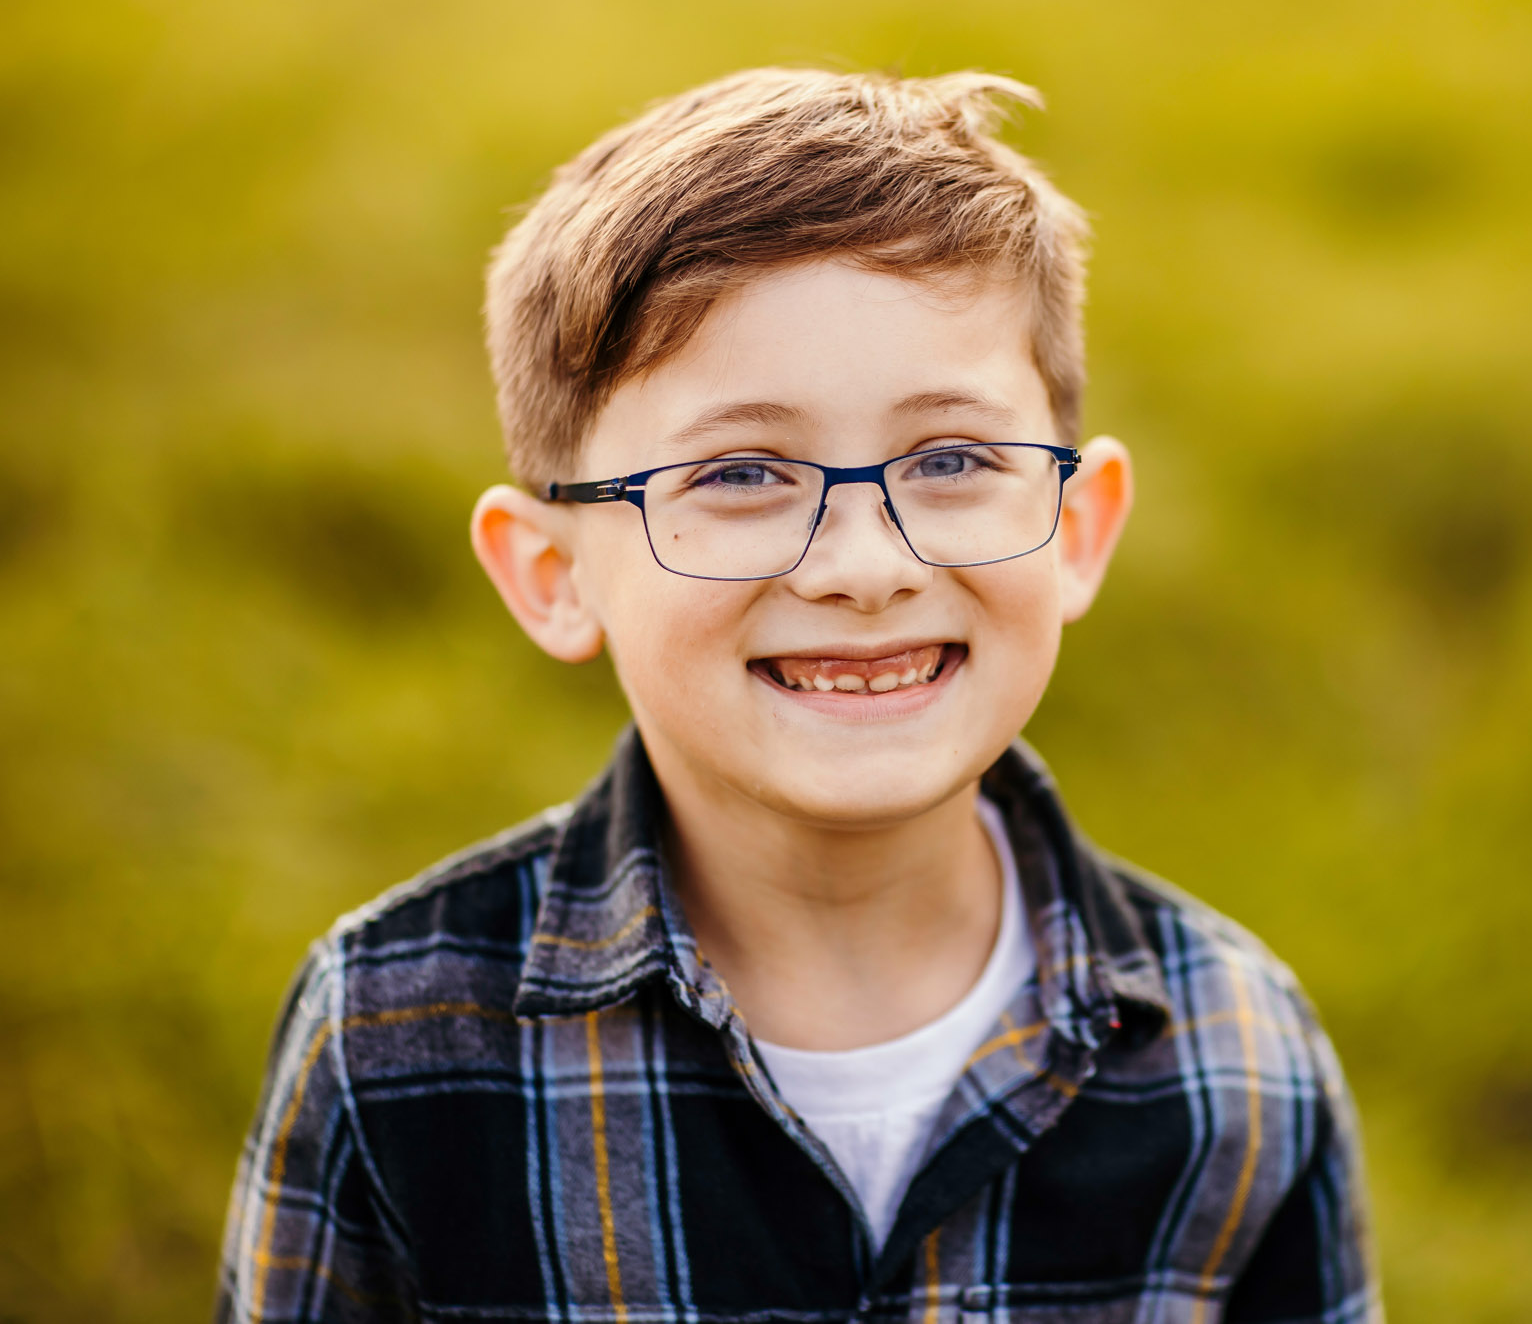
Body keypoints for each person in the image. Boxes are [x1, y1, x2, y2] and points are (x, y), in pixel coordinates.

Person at [215, 67, 1380, 1324]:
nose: (867, 568)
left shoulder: (1234, 1060)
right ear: (553, 574)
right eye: (740, 473)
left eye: (948, 459)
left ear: (1075, 526)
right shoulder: (393, 1040)